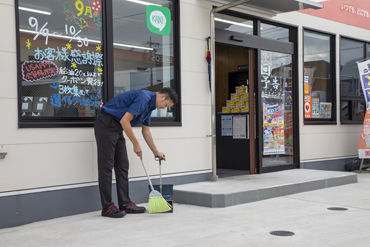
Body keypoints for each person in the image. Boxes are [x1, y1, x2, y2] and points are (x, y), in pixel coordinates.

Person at [94, 87, 178, 218]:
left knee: (122, 165)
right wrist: (136, 144)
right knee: (106, 167)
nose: (163, 108)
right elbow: (125, 120)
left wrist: (156, 151)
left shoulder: (150, 106)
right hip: (106, 123)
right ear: (163, 97)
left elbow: (146, 131)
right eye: (165, 105)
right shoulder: (144, 98)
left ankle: (125, 203)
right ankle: (107, 207)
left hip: (117, 127)